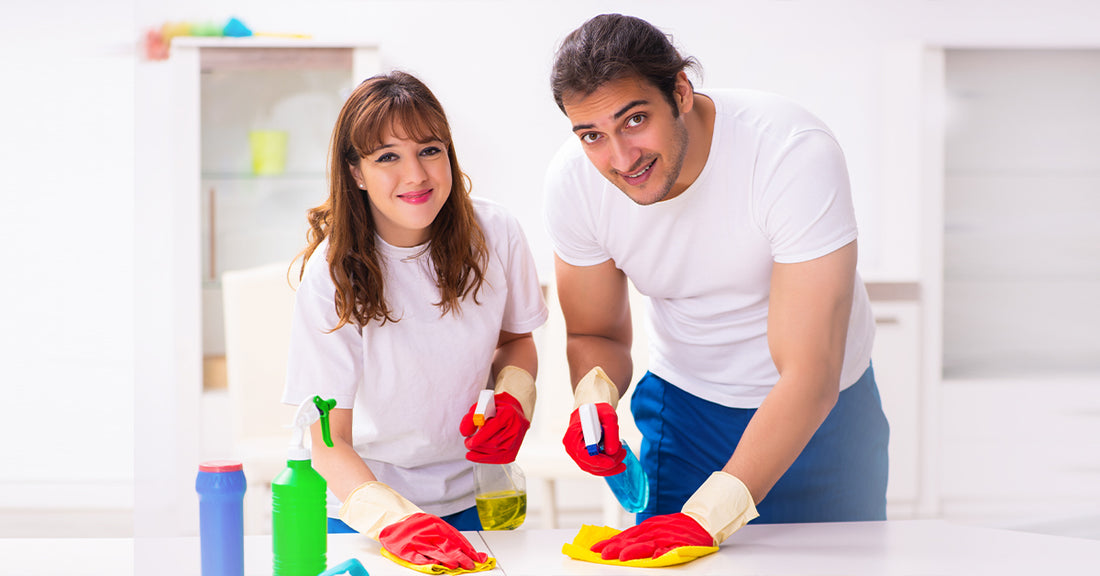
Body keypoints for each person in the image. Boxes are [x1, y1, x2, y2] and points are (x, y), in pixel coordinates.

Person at [545, 14, 889, 560]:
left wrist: (709, 515)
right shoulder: (575, 183)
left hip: (825, 416)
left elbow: (809, 373)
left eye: (634, 120)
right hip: (687, 408)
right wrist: (596, 400)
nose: (620, 158)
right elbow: (596, 332)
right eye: (592, 135)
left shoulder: (789, 151)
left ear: (680, 90)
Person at [283, 71, 548, 570]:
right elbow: (328, 441)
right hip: (365, 507)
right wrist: (394, 521)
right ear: (356, 172)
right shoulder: (332, 273)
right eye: (387, 157)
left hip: (477, 498)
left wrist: (514, 398)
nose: (416, 175)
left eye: (430, 150)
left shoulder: (495, 233)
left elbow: (515, 339)